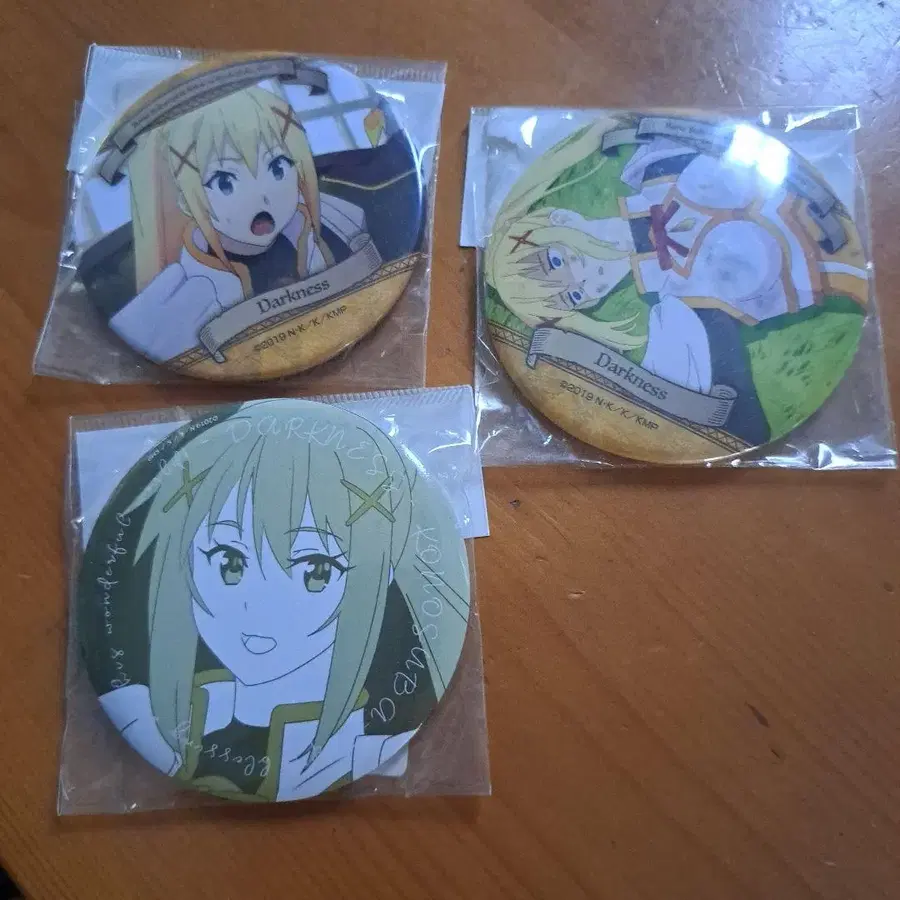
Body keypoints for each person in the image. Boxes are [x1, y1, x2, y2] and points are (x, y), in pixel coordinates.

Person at [96, 401, 469, 801]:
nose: (258, 606)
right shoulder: (139, 712)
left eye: (316, 570)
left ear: (383, 573)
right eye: (229, 562)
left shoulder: (370, 748)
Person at [107, 87, 366, 363]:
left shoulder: (342, 223)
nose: (261, 196)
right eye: (225, 182)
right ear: (186, 202)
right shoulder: (175, 299)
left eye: (278, 167)